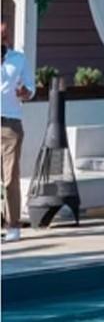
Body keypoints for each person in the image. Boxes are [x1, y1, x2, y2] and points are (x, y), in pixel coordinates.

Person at [1, 20, 35, 243]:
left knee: (10, 177)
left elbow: (30, 89)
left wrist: (25, 92)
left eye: (5, 34)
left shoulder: (18, 59)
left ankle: (13, 225)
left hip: (10, 125)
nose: (3, 37)